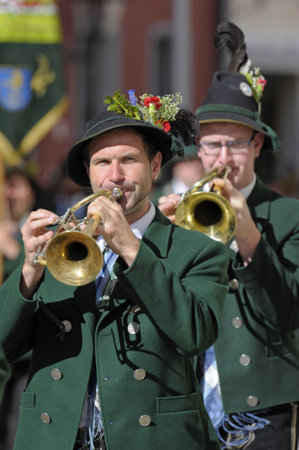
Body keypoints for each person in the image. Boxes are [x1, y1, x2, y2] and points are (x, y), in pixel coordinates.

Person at [0, 91, 229, 450]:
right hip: (55, 437)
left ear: (155, 166)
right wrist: (30, 269)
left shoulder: (197, 250)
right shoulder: (61, 243)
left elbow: (194, 335)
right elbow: (4, 346)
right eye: (102, 162)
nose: (115, 176)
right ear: (89, 173)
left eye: (128, 160)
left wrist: (131, 248)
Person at [158, 68, 299, 449]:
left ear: (256, 145)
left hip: (262, 409)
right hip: (188, 407)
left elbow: (287, 313)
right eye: (213, 145)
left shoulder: (289, 216)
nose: (224, 158)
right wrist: (158, 235)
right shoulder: (184, 211)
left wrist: (248, 231)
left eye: (235, 144)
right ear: (199, 150)